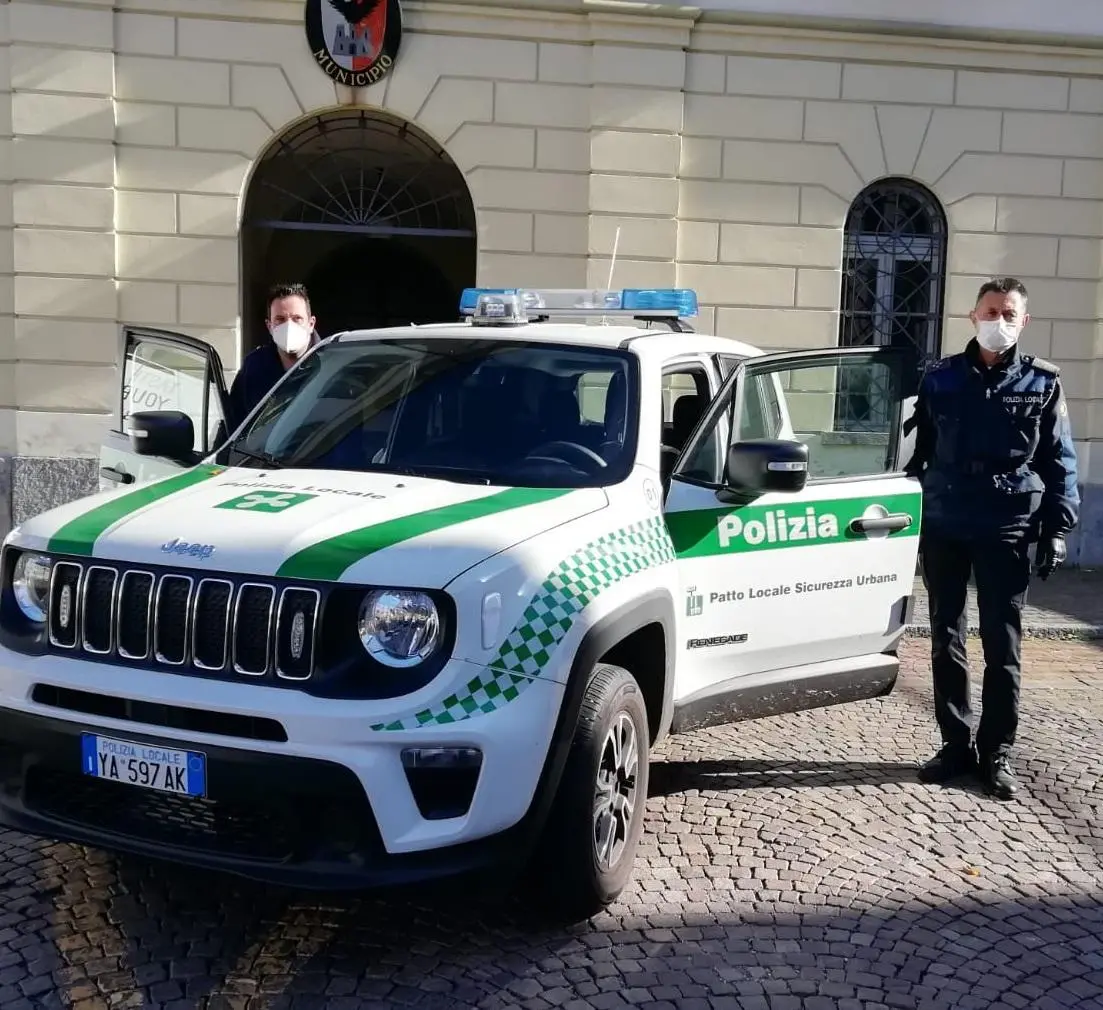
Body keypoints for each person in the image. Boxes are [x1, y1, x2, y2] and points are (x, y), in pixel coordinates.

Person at [905, 277, 1080, 801]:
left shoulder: (1043, 382)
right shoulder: (939, 379)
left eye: (1009, 313)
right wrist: (906, 511)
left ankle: (996, 752)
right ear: (972, 315)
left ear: (1022, 321)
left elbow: (1059, 459)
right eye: (990, 310)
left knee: (1003, 645)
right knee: (945, 638)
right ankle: (955, 744)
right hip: (948, 518)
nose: (998, 321)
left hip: (1007, 523)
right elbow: (919, 453)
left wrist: (1058, 527)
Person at [226, 282, 319, 432]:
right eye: (280, 319)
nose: (289, 326)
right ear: (269, 326)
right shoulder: (254, 367)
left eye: (297, 318)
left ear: (311, 323)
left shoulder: (331, 363)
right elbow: (232, 426)